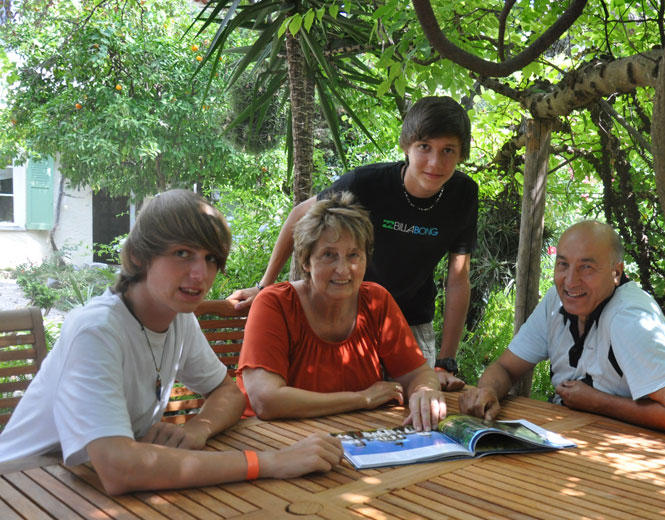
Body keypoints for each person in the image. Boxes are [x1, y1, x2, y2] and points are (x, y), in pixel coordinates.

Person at [0, 190, 342, 495]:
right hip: (22, 490)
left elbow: (228, 393)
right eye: (182, 253)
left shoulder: (178, 317)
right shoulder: (97, 329)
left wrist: (200, 428)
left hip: (77, 487)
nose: (200, 274)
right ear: (138, 257)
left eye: (211, 259)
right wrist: (268, 462)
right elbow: (120, 468)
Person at [228, 96, 478, 391]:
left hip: (411, 323)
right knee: (351, 408)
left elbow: (458, 278)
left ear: (461, 154)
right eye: (425, 147)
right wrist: (264, 286)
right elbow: (299, 216)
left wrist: (445, 362)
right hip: (353, 320)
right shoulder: (367, 183)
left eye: (448, 150)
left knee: (418, 411)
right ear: (406, 146)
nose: (435, 162)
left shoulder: (462, 194)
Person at [459, 220, 665, 437]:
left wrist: (599, 403)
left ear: (616, 272)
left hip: (630, 458)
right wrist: (488, 391)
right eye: (563, 265)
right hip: (570, 439)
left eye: (586, 267)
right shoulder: (555, 301)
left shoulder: (630, 318)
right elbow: (505, 367)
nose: (570, 281)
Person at [237, 192, 447, 431]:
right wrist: (362, 399)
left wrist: (425, 391)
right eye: (329, 255)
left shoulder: (376, 301)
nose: (343, 269)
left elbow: (418, 373)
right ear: (306, 261)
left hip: (347, 437)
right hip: (267, 441)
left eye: (353, 255)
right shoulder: (275, 304)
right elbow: (266, 401)